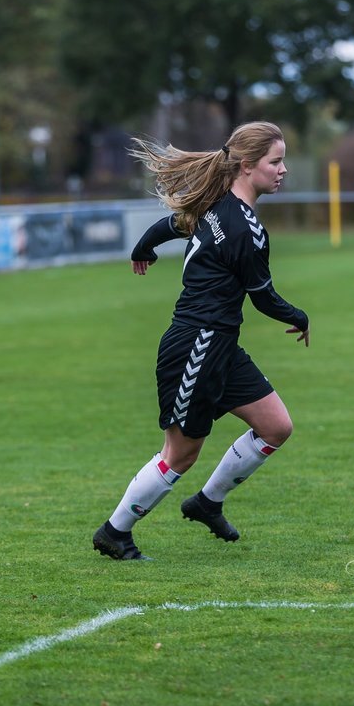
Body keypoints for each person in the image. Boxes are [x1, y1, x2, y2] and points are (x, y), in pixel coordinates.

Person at [91, 121, 310, 560]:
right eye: (276, 161)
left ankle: (207, 503)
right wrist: (298, 316)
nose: (283, 169)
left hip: (221, 346)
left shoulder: (217, 205)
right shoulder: (244, 228)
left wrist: (143, 247)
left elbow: (174, 224)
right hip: (196, 345)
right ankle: (115, 532)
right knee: (180, 453)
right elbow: (262, 297)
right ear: (247, 167)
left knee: (275, 427)